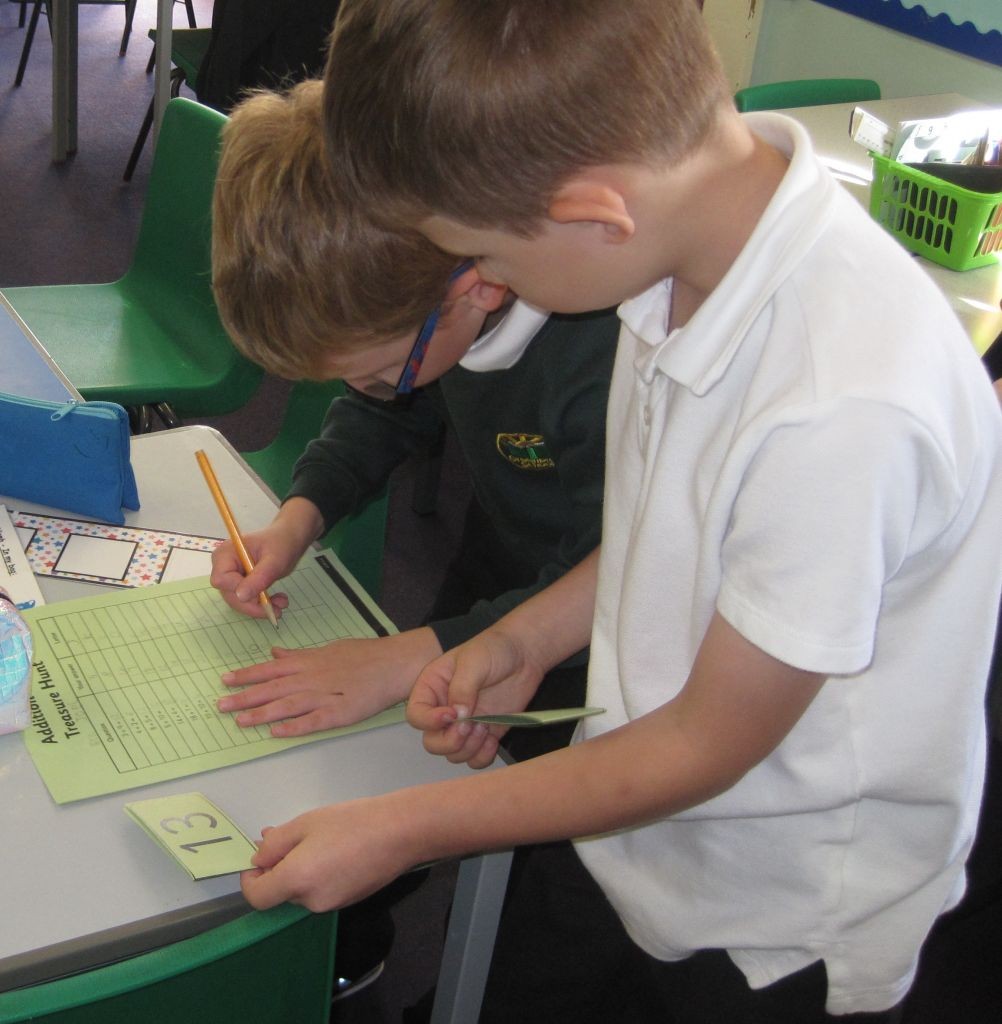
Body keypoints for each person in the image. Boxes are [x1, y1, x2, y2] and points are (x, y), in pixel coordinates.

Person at [237, 3, 1002, 1022]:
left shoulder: (838, 407)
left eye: (482, 255)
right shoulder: (681, 254)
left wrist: (406, 825)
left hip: (774, 916)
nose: (484, 284)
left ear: (597, 214)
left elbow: (707, 745)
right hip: (643, 810)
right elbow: (670, 528)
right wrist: (525, 638)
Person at [209, 80, 617, 761]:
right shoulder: (433, 305)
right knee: (410, 758)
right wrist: (297, 520)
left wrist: (406, 657)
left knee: (527, 803)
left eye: (381, 371)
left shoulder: (598, 353)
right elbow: (385, 411)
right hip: (496, 570)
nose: (367, 391)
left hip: (598, 640)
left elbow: (627, 564)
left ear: (476, 289)